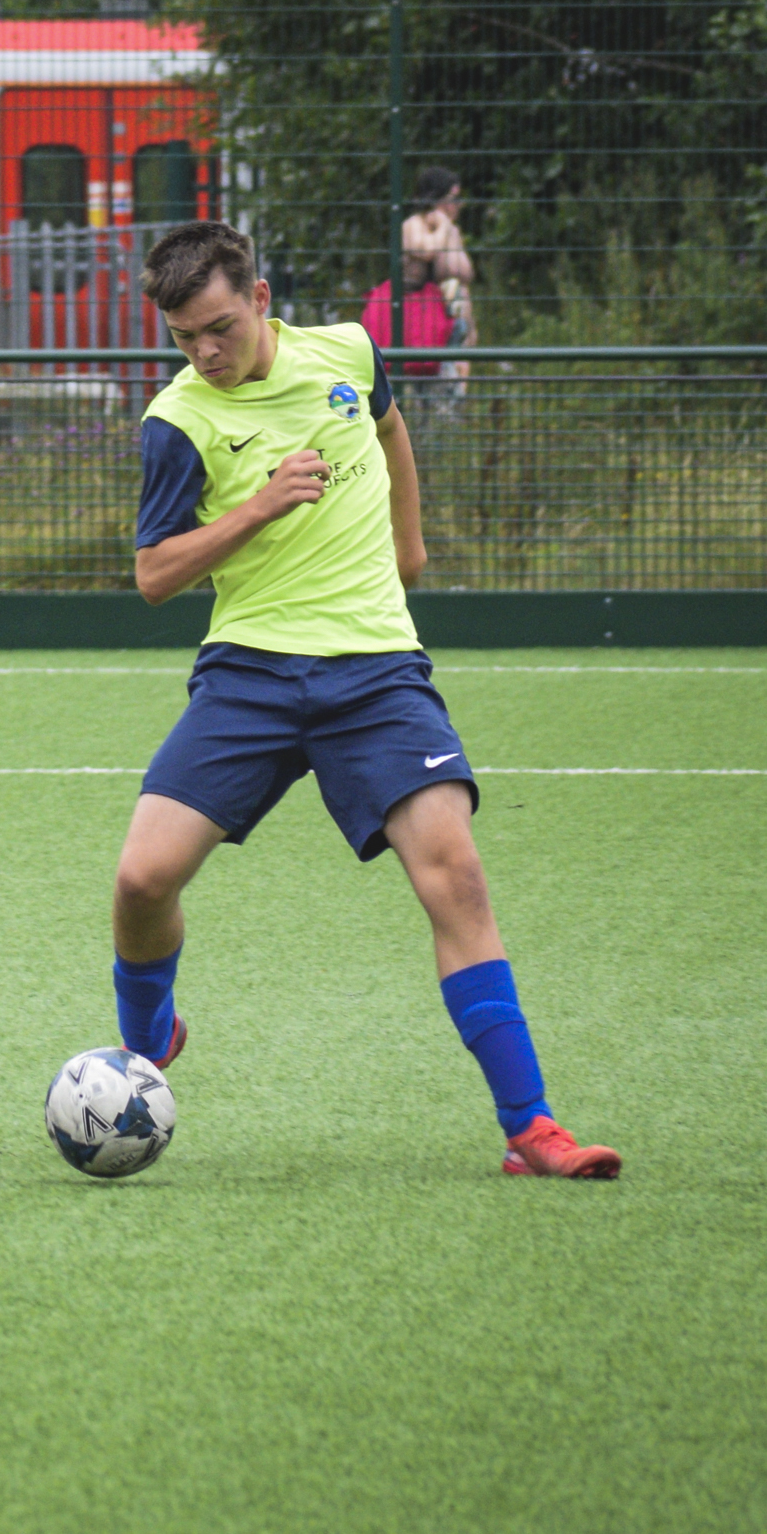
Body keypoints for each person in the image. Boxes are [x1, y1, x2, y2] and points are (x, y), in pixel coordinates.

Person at [114, 220, 617, 1179]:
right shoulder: (176, 422)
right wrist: (257, 504)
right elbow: (153, 575)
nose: (206, 352)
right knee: (142, 882)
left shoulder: (350, 351)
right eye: (186, 338)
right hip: (251, 673)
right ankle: (148, 1039)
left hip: (377, 672)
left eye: (219, 327)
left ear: (260, 299)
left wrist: (409, 543)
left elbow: (387, 427)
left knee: (456, 876)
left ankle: (533, 1126)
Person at [361, 167, 475, 379]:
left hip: (446, 322)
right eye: (454, 198)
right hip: (417, 318)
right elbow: (426, 251)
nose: (458, 205)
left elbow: (463, 272)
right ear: (436, 199)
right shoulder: (413, 226)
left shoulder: (451, 230)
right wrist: (443, 225)